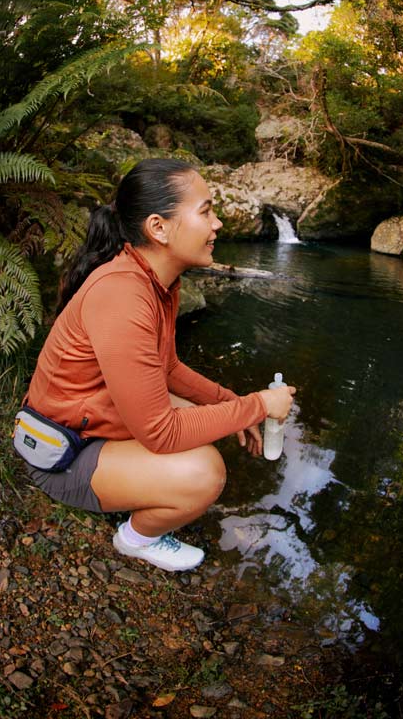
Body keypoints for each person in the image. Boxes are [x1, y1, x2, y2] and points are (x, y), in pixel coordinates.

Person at [20, 158, 295, 572]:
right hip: (64, 455)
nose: (217, 224)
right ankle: (136, 538)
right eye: (205, 212)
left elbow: (166, 369)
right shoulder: (123, 295)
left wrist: (233, 403)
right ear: (158, 228)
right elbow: (160, 433)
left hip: (96, 423)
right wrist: (257, 405)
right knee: (205, 472)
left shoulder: (157, 282)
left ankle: (136, 484)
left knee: (210, 417)